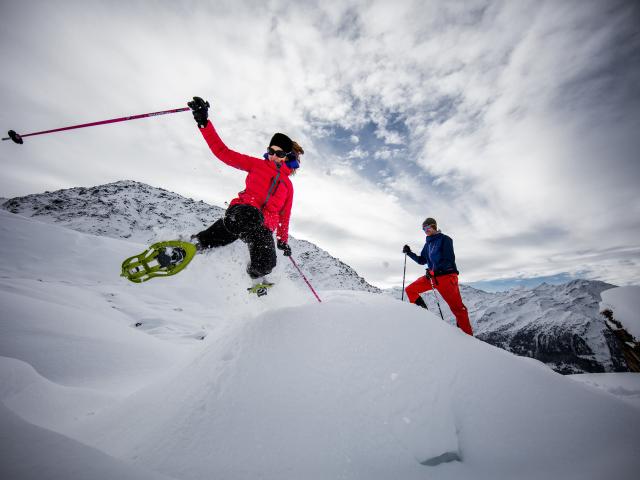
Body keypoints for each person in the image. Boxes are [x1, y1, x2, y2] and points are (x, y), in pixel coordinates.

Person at [187, 96, 302, 286]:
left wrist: (282, 240)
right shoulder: (257, 165)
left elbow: (284, 215)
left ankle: (256, 279)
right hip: (242, 212)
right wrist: (204, 123)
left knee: (267, 263)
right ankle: (197, 244)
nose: (273, 156)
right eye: (271, 151)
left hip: (262, 227)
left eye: (279, 153)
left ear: (286, 157)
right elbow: (223, 152)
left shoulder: (288, 186)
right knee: (250, 215)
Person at [403, 217, 473, 336]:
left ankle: (468, 337)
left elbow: (448, 260)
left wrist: (436, 271)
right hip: (432, 277)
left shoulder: (445, 239)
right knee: (410, 290)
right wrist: (409, 253)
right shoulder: (428, 244)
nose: (425, 230)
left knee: (458, 309)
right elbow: (421, 260)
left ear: (434, 226)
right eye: (423, 228)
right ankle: (424, 317)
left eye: (427, 227)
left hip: (446, 277)